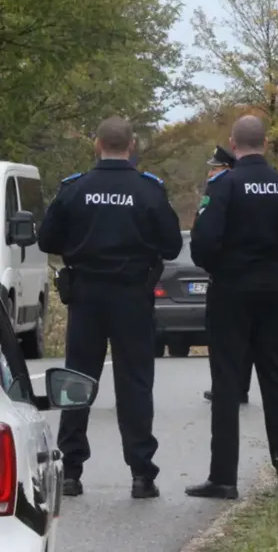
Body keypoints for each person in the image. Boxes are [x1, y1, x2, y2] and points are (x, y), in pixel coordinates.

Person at [37, 116, 183, 499]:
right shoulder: (148, 190)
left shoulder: (74, 189)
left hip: (86, 296)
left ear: (97, 146)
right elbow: (171, 246)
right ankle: (141, 474)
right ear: (131, 146)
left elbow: (46, 238)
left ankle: (70, 471)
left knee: (77, 381)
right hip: (132, 297)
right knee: (135, 383)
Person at [187, 115, 278, 499]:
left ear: (233, 143)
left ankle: (223, 478)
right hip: (274, 290)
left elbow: (203, 243)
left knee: (227, 382)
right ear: (266, 143)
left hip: (231, 291)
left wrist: (222, 266)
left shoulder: (223, 185)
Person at [198, 145, 253, 406]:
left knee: (223, 337)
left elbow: (206, 235)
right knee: (245, 338)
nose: (211, 172)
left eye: (215, 168)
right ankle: (238, 386)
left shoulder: (221, 190)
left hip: (227, 277)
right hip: (257, 278)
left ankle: (227, 388)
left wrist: (208, 264)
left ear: (227, 169)